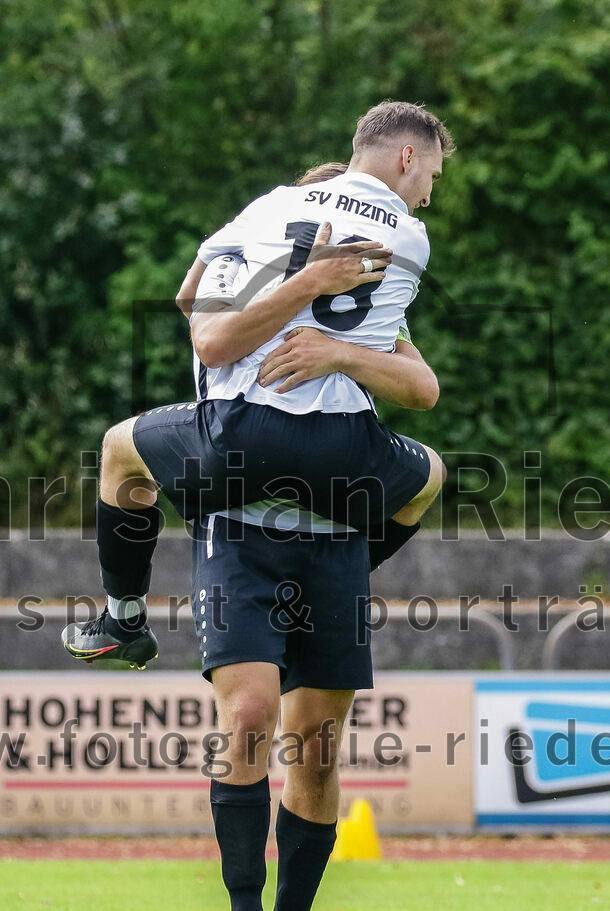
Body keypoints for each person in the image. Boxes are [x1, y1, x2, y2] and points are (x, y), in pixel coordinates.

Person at [63, 100, 453, 669]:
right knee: (431, 475)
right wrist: (311, 287)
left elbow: (194, 310)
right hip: (339, 450)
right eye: (432, 178)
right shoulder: (402, 250)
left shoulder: (263, 227)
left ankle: (122, 617)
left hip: (240, 441)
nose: (429, 194)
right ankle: (337, 582)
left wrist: (314, 311)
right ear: (406, 157)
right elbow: (421, 390)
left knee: (117, 448)